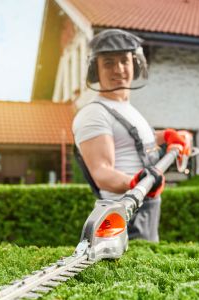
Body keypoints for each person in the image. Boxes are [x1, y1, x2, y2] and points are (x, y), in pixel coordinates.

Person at [72, 29, 191, 242]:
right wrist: (136, 182)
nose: (118, 69)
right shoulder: (94, 114)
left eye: (124, 61)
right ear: (95, 70)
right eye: (108, 63)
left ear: (135, 65)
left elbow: (133, 143)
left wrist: (168, 136)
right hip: (124, 215)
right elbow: (101, 172)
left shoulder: (126, 108)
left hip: (145, 208)